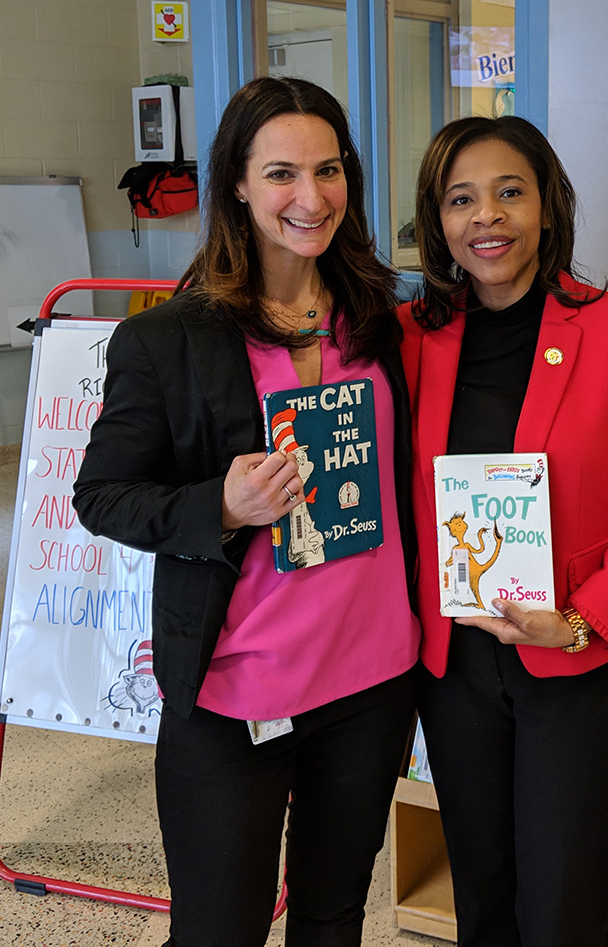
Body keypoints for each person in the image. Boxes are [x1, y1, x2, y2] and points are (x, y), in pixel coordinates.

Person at [73, 76, 420, 947]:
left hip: (373, 678)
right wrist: (219, 504)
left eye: (329, 170)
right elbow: (102, 494)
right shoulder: (167, 340)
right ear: (235, 181)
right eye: (281, 174)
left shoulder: (385, 322)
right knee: (220, 927)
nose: (311, 197)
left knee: (334, 914)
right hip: (240, 687)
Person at [398, 115, 608, 947]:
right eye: (462, 199)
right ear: (438, 218)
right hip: (453, 661)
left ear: (546, 205)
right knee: (482, 880)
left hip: (572, 658)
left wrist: (577, 621)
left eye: (509, 193)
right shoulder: (413, 337)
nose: (486, 216)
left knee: (562, 886)